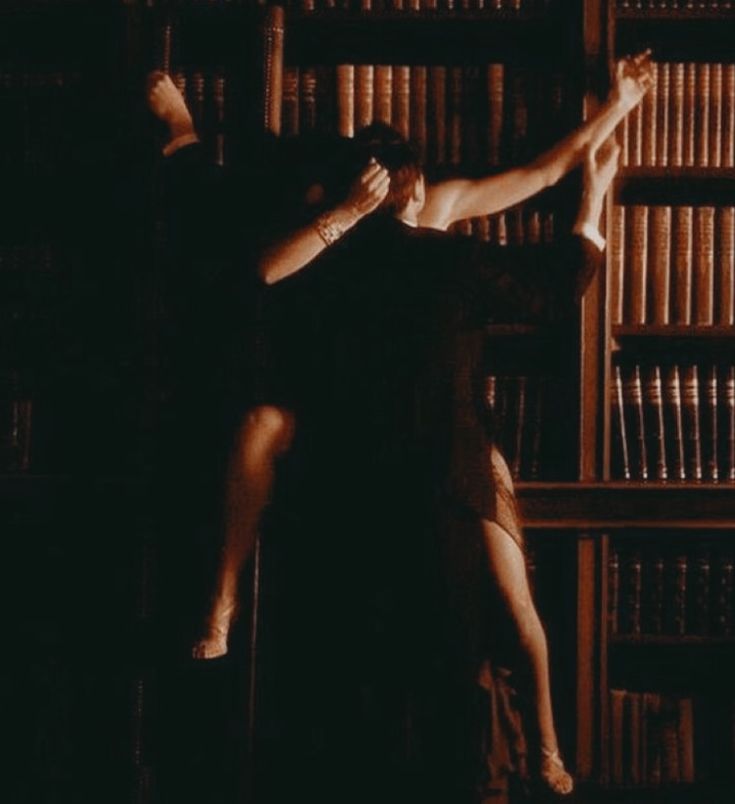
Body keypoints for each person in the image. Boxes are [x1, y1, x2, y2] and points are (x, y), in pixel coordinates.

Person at [146, 59, 646, 800]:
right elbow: (237, 242)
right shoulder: (336, 235)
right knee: (263, 426)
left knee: (508, 601)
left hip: (440, 427)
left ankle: (538, 745)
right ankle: (223, 599)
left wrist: (616, 109)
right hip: (355, 416)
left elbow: (544, 171)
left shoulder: (440, 213)